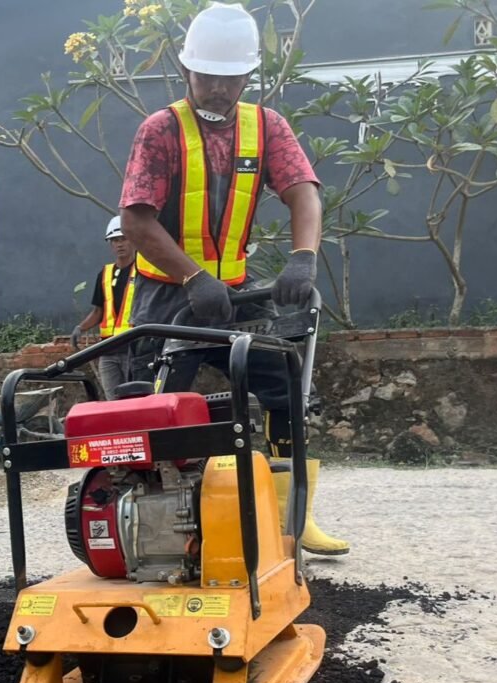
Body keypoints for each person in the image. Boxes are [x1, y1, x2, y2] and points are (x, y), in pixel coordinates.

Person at [118, 2, 349, 555]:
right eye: (207, 76)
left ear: (248, 76)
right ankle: (146, 530)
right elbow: (136, 219)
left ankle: (290, 519)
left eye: (230, 77)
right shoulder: (160, 130)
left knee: (284, 384)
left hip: (235, 297)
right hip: (166, 296)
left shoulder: (267, 127)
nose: (218, 88)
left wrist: (303, 256)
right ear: (186, 72)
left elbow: (303, 193)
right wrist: (193, 277)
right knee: (152, 410)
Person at [71, 216, 138, 399]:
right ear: (110, 244)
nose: (119, 244)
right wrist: (81, 328)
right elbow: (98, 311)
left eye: (123, 239)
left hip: (133, 348)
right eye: (115, 240)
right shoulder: (105, 273)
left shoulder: (142, 271)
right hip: (108, 350)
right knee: (113, 400)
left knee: (134, 398)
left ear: (133, 240)